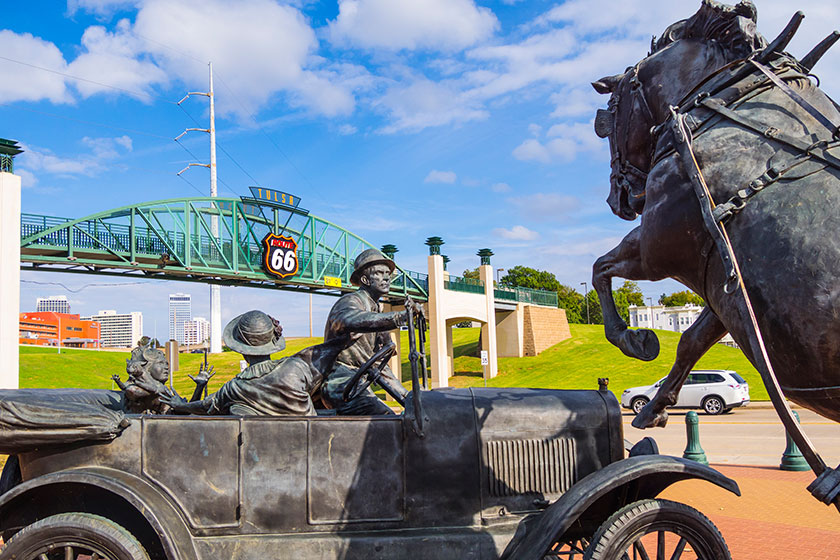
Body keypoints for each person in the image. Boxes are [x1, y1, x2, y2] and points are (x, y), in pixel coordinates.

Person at [165, 310, 352, 416]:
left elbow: (204, 406)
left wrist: (179, 405)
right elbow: (334, 350)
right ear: (273, 341)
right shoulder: (298, 367)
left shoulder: (234, 388)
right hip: (311, 444)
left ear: (240, 348)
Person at [321, 248, 419, 415]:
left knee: (399, 419)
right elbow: (347, 320)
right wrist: (398, 318)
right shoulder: (350, 301)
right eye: (380, 273)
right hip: (340, 385)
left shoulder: (375, 311)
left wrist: (410, 399)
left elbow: (380, 366)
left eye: (388, 273)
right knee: (386, 420)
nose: (387, 277)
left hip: (357, 385)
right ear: (365, 279)